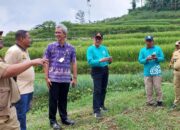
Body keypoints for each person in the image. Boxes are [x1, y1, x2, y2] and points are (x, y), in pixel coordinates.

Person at [0, 31, 48, 130]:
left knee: (22, 114)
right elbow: (7, 70)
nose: (31, 40)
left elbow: (22, 65)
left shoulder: (24, 50)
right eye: (29, 37)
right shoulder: (13, 51)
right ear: (22, 39)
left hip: (28, 88)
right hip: (20, 90)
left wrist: (33, 63)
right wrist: (31, 62)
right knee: (20, 116)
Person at [44, 24, 77, 130]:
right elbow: (46, 62)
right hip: (53, 78)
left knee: (63, 99)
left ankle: (64, 118)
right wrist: (46, 77)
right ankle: (52, 121)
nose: (56, 34)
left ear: (65, 34)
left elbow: (74, 63)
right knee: (53, 100)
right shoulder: (50, 47)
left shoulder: (71, 48)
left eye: (59, 32)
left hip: (66, 79)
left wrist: (75, 78)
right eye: (56, 32)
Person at [86, 32, 112, 118]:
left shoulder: (104, 48)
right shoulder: (90, 49)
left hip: (105, 69)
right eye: (96, 38)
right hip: (96, 71)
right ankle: (96, 110)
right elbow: (90, 62)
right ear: (93, 39)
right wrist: (100, 61)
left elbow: (108, 59)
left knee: (104, 89)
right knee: (97, 90)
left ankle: (101, 105)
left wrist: (109, 60)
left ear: (101, 40)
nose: (97, 40)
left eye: (99, 38)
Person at [138, 36, 164, 106]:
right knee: (148, 88)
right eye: (147, 41)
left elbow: (162, 58)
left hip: (156, 72)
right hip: (147, 72)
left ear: (153, 41)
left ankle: (159, 101)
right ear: (145, 41)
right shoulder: (142, 50)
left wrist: (156, 58)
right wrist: (146, 59)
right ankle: (150, 101)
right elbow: (140, 60)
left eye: (150, 41)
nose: (149, 42)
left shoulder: (158, 49)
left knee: (157, 87)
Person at [170, 41, 180, 109]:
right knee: (177, 87)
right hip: (177, 73)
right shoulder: (175, 53)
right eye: (176, 45)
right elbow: (171, 61)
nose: (176, 46)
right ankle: (176, 102)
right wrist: (171, 64)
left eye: (178, 45)